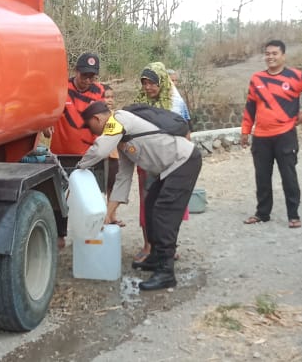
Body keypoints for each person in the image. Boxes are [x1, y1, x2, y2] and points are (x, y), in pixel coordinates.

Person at [77, 101, 202, 291]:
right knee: (151, 206)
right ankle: (155, 258)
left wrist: (80, 167)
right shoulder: (122, 141)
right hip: (170, 167)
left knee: (163, 214)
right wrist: (108, 214)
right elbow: (123, 178)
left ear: (98, 118)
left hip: (183, 161)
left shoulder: (117, 119)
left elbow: (101, 149)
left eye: (90, 126)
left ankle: (166, 273)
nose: (92, 132)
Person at [241, 40, 302, 228]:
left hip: (285, 135)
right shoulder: (256, 79)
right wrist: (245, 131)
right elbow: (250, 107)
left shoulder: (295, 76)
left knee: (289, 176)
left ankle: (293, 215)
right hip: (261, 136)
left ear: (283, 55)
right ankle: (262, 213)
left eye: (274, 53)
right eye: (267, 53)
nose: (270, 57)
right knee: (262, 176)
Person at [46, 52, 106, 248]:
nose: (87, 80)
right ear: (76, 71)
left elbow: (106, 118)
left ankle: (92, 234)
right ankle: (60, 235)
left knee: (93, 195)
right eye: (84, 75)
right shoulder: (61, 88)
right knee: (61, 196)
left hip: (91, 154)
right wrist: (46, 125)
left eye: (92, 77)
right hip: (63, 154)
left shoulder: (99, 91)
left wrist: (111, 142)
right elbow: (48, 111)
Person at [133, 62, 191, 264]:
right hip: (147, 163)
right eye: (144, 83)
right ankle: (148, 245)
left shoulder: (175, 104)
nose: (148, 87)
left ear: (162, 82)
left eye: (152, 83)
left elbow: (186, 133)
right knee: (147, 204)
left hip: (170, 164)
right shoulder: (139, 104)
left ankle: (168, 246)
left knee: (169, 206)